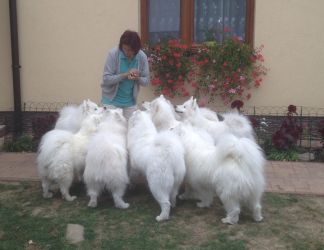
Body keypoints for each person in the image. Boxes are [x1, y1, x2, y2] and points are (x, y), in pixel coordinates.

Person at [101, 30, 150, 120]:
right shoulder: (113, 54)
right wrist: (124, 75)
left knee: (130, 131)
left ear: (137, 49)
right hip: (111, 102)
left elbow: (146, 81)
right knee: (111, 132)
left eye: (130, 50)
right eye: (125, 49)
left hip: (130, 103)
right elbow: (106, 79)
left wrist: (137, 78)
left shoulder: (142, 57)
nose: (127, 52)